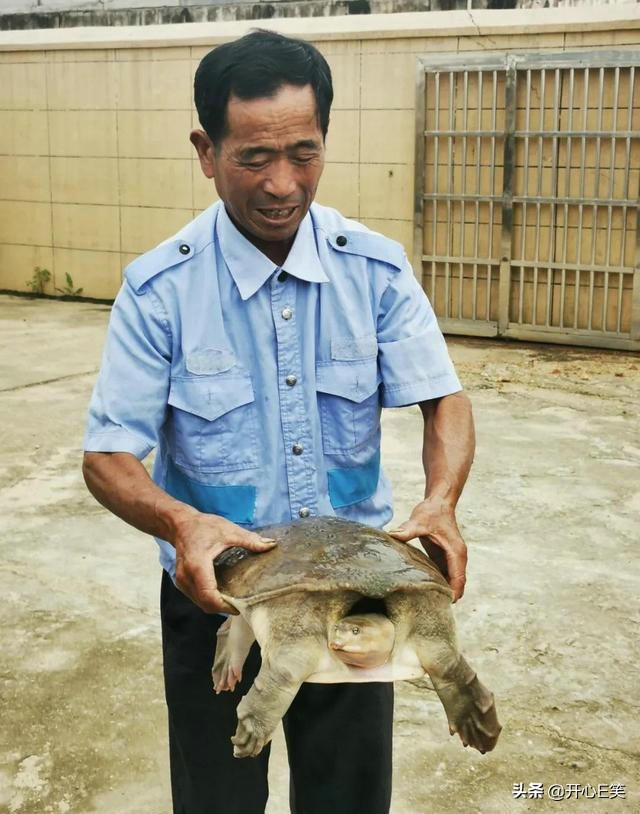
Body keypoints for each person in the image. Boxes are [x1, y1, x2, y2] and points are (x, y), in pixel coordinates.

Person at [82, 29, 474, 814]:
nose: (282, 183)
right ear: (206, 149)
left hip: (362, 591)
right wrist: (181, 523)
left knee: (349, 799)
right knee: (217, 798)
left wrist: (440, 501)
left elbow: (444, 398)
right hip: (218, 598)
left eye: (304, 152)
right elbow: (107, 457)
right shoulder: (161, 290)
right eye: (254, 158)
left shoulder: (374, 268)